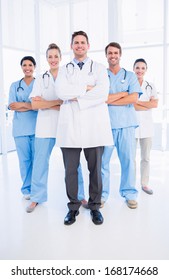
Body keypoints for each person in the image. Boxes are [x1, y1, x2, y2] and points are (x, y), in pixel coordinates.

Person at [56, 31, 113, 225]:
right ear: (71, 46)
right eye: (76, 43)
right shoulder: (64, 69)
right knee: (70, 170)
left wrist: (75, 95)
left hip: (94, 126)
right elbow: (61, 91)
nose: (79, 45)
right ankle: (73, 207)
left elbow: (103, 92)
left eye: (82, 42)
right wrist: (87, 88)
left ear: (88, 45)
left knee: (95, 170)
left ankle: (95, 207)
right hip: (70, 126)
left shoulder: (98, 68)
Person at [26, 43, 86, 213]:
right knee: (40, 163)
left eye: (56, 56)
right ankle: (36, 197)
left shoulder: (68, 76)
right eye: (50, 56)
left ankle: (80, 195)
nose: (53, 59)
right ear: (46, 59)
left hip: (66, 125)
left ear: (60, 58)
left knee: (73, 165)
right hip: (44, 127)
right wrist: (57, 102)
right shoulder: (41, 78)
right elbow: (34, 104)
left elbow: (75, 98)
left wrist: (46, 103)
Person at [101, 42, 142, 209]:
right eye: (110, 53)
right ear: (106, 55)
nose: (113, 55)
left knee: (128, 161)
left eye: (115, 53)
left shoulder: (130, 75)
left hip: (126, 125)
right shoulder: (102, 76)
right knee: (103, 163)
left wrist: (112, 98)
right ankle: (102, 194)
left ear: (120, 54)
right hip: (106, 125)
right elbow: (101, 98)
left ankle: (130, 193)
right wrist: (123, 94)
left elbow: (134, 99)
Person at [8, 56, 37, 199]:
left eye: (30, 65)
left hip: (38, 129)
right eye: (24, 65)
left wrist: (22, 105)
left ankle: (37, 189)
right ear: (21, 67)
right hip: (20, 130)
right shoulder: (14, 85)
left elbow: (41, 107)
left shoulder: (39, 84)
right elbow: (12, 106)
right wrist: (31, 105)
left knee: (37, 160)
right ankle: (27, 190)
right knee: (24, 161)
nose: (27, 68)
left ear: (34, 67)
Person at [133, 58, 158, 195]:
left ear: (146, 70)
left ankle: (145, 184)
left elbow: (154, 104)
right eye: (137, 68)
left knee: (146, 157)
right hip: (132, 126)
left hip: (147, 127)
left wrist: (139, 104)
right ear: (134, 69)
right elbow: (130, 104)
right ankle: (131, 185)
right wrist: (146, 104)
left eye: (143, 68)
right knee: (131, 158)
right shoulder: (130, 85)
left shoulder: (151, 85)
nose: (140, 70)